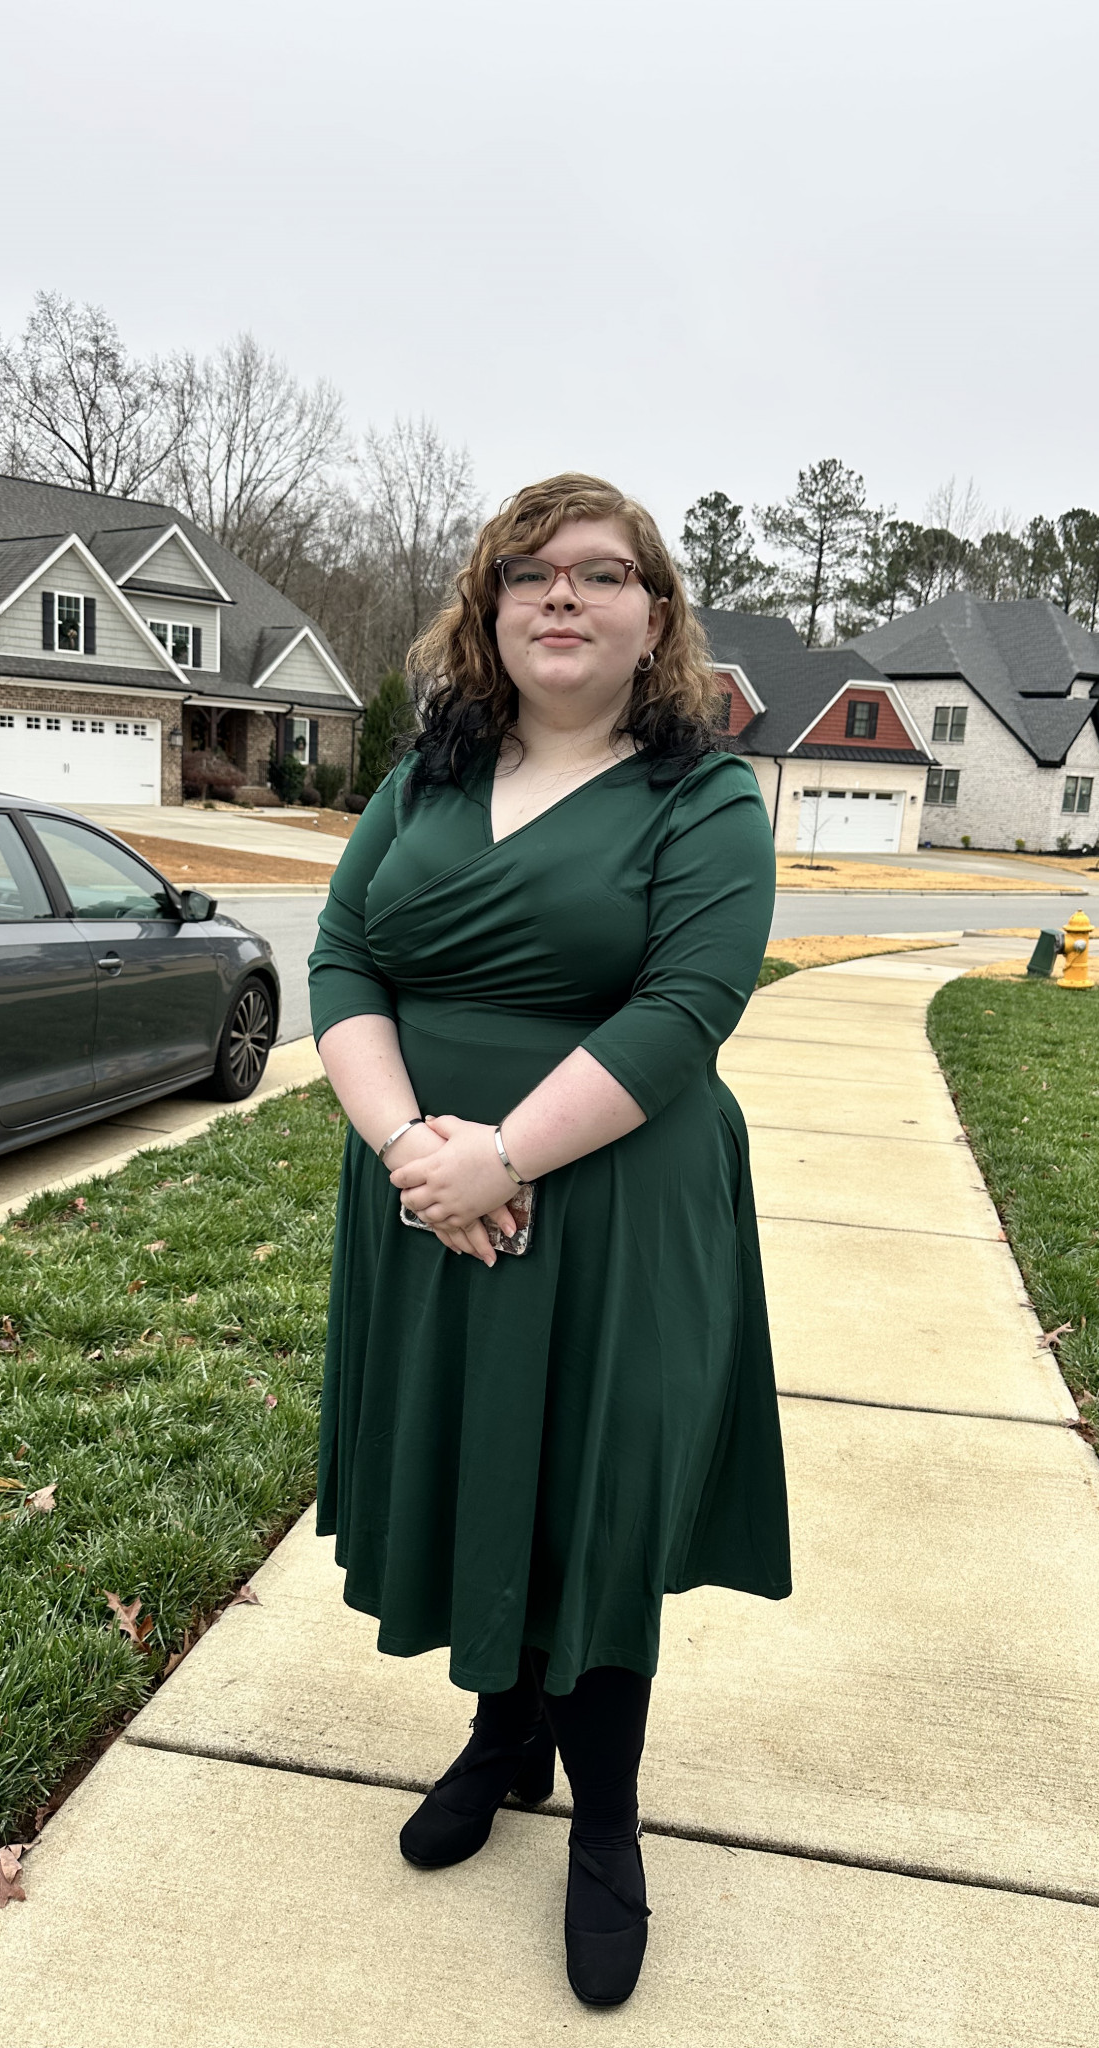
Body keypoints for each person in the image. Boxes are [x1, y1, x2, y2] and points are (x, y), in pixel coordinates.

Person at [308, 473, 790, 2007]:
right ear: (490, 605)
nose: (562, 594)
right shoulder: (425, 779)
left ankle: (606, 1828)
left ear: (657, 613)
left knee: (594, 1502)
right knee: (477, 1470)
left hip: (616, 1208)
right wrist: (413, 1151)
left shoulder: (704, 797)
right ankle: (503, 1738)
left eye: (601, 571)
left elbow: (688, 1009)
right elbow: (344, 960)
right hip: (426, 1203)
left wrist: (502, 1156)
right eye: (529, 571)